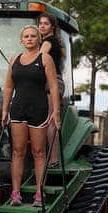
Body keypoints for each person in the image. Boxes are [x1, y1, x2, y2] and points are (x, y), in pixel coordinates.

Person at [1, 25, 61, 207]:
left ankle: (39, 194)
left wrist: (56, 111)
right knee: (18, 151)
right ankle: (16, 193)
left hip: (39, 110)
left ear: (38, 39)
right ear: (21, 39)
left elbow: (53, 86)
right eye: (26, 36)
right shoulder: (15, 59)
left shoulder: (45, 59)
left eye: (33, 36)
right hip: (18, 109)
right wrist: (4, 109)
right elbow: (9, 86)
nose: (29, 39)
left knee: (39, 152)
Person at [38, 12, 65, 168]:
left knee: (50, 121)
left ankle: (53, 160)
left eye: (46, 24)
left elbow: (39, 59)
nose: (42, 26)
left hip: (52, 82)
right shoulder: (52, 42)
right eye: (40, 23)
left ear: (52, 27)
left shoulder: (48, 42)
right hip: (47, 81)